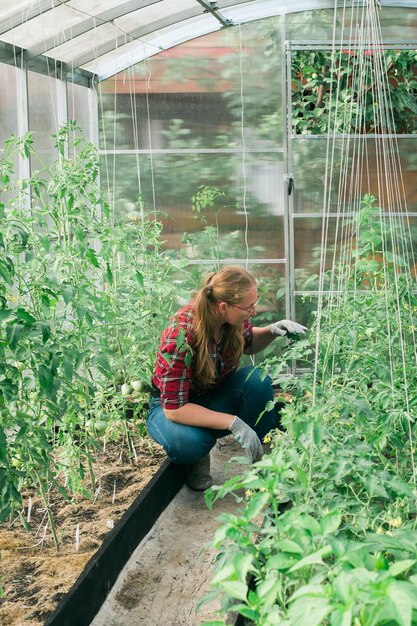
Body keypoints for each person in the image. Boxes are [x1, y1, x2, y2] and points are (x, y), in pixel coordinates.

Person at [147, 265, 307, 491]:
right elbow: (175, 408)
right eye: (249, 307)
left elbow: (249, 343)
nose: (253, 311)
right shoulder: (181, 334)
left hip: (212, 395)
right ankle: (198, 456)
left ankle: (265, 461)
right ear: (223, 307)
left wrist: (273, 330)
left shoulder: (232, 321)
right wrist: (234, 423)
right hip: (172, 409)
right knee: (189, 444)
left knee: (255, 378)